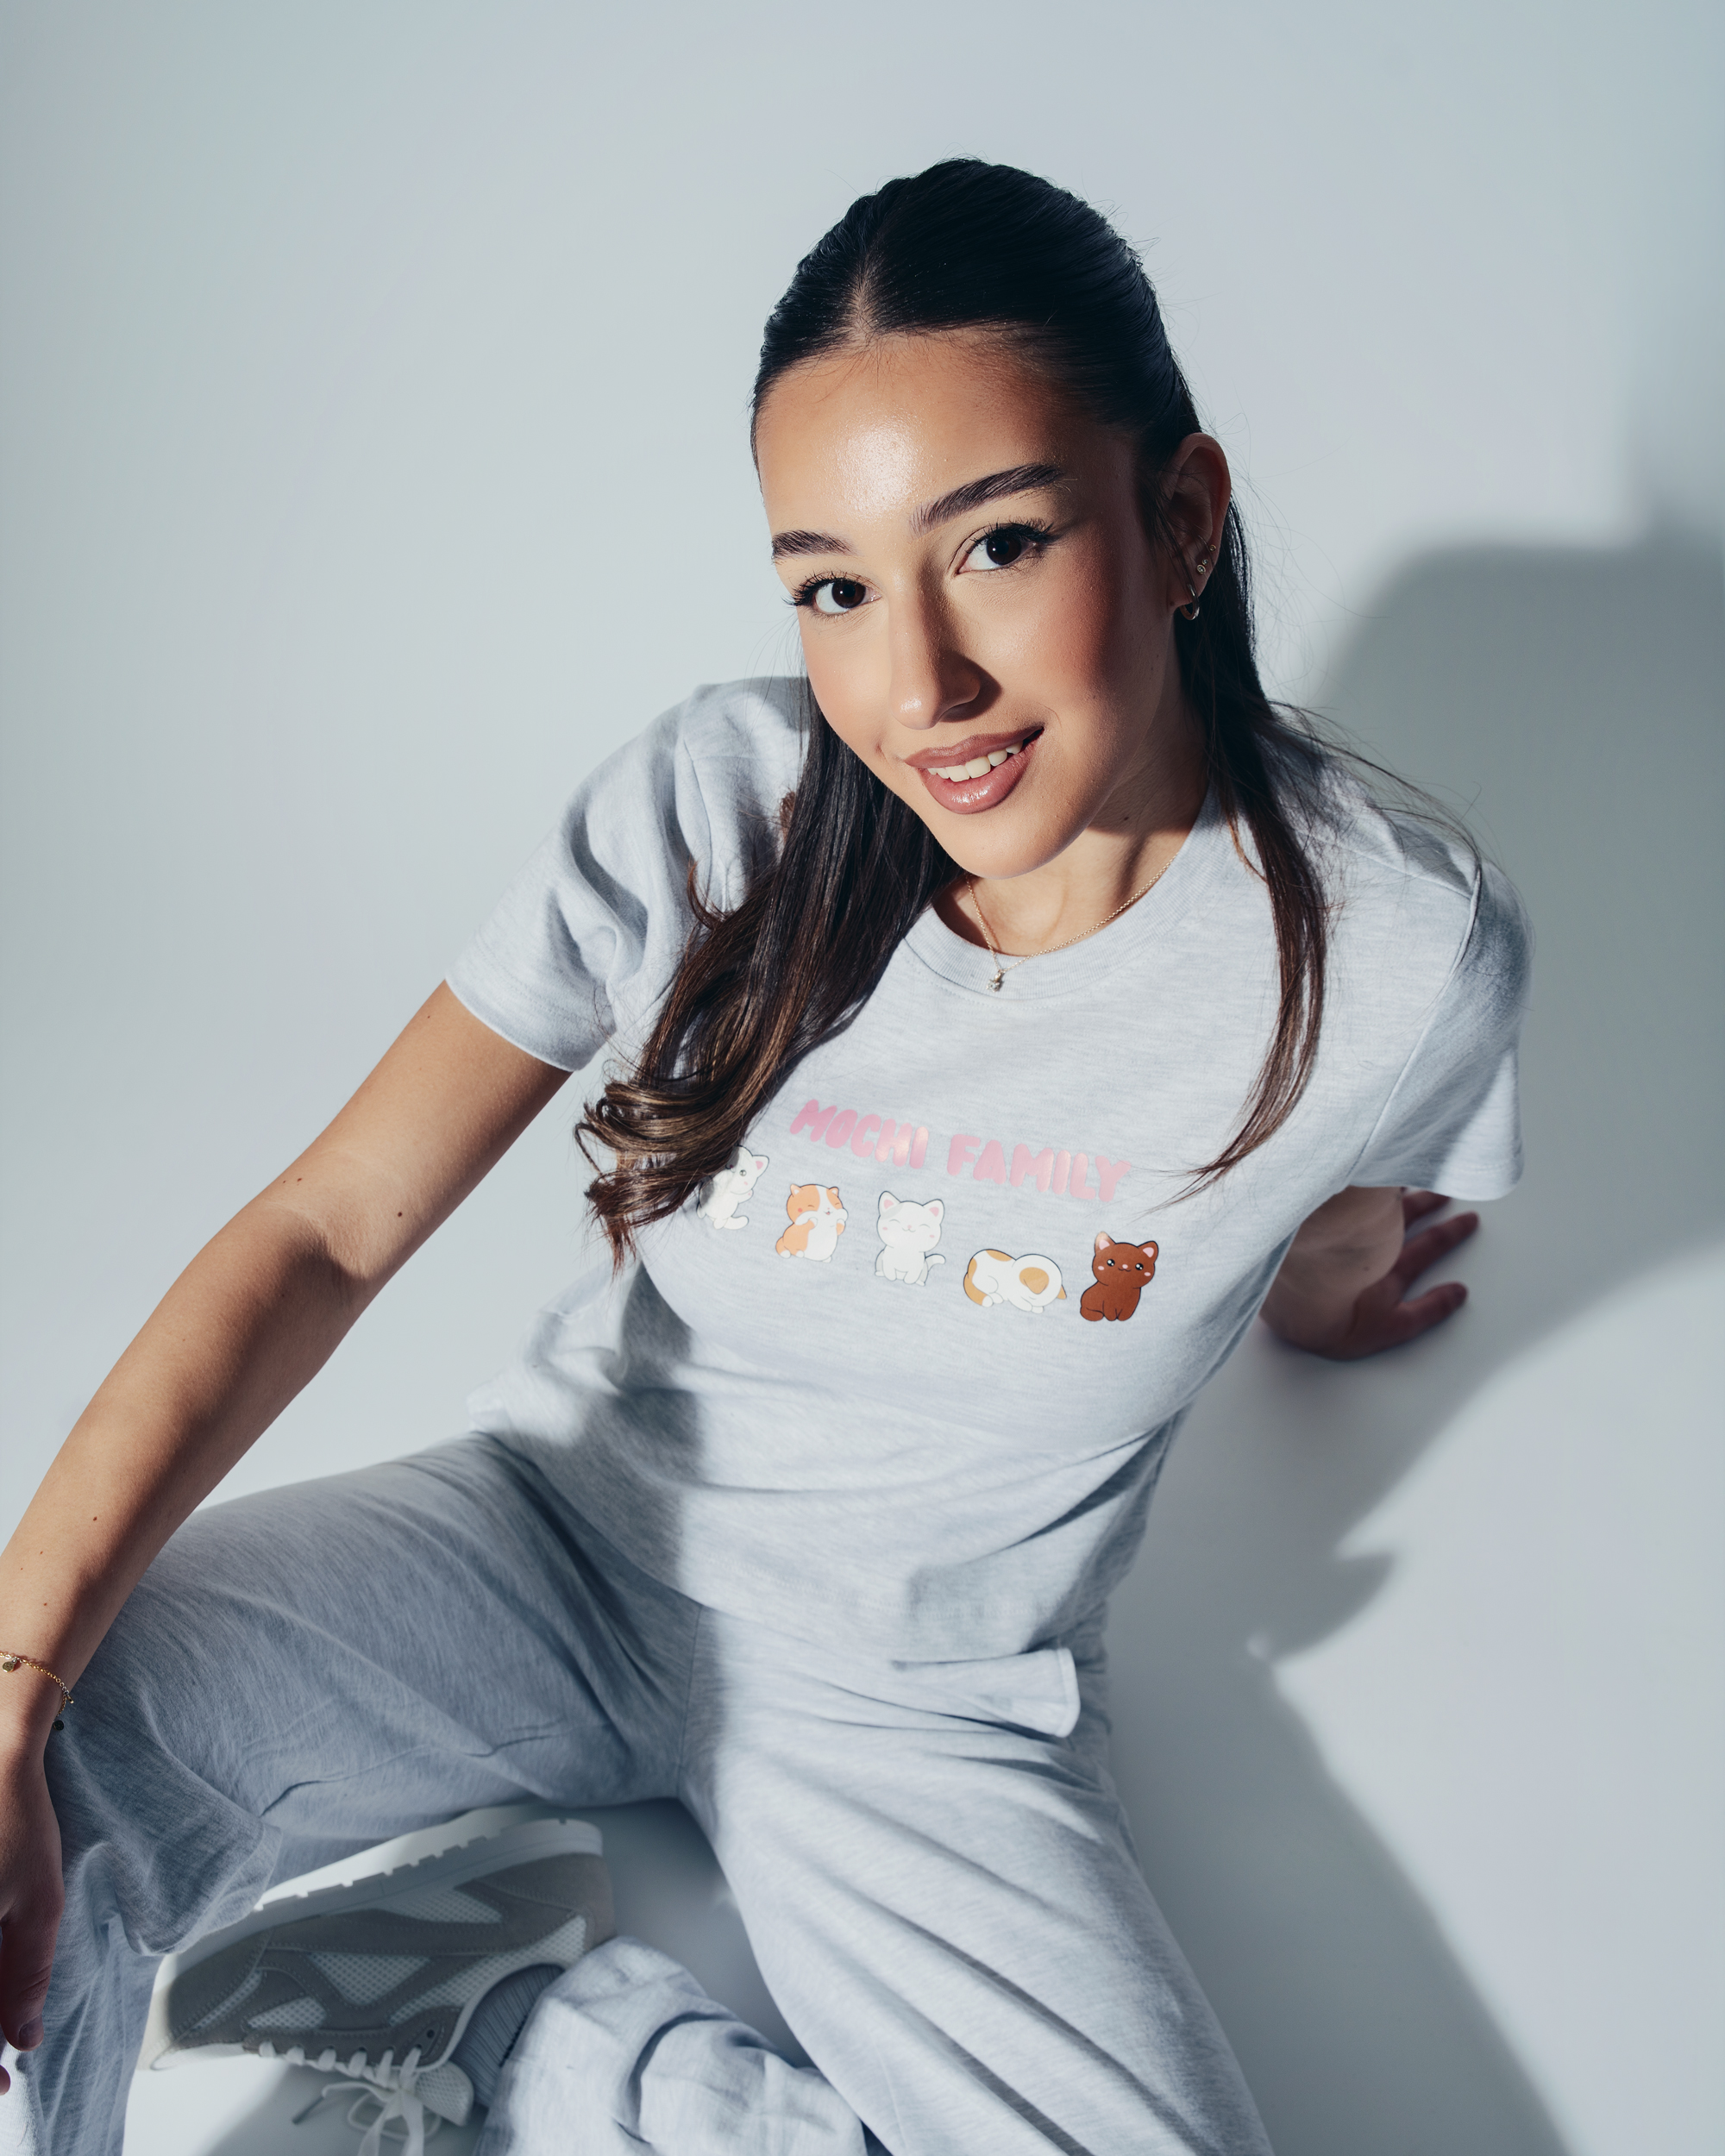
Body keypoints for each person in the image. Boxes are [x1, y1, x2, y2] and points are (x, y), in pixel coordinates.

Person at [0, 160, 1528, 2156]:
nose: (920, 686)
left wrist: (1318, 1284)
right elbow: (329, 1221)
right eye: (832, 586)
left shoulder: (1396, 948)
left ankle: (528, 2026)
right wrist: (13, 1677)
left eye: (996, 543)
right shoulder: (718, 809)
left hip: (917, 1688)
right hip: (547, 1546)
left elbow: (1329, 1169)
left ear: (1179, 518)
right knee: (30, 1798)